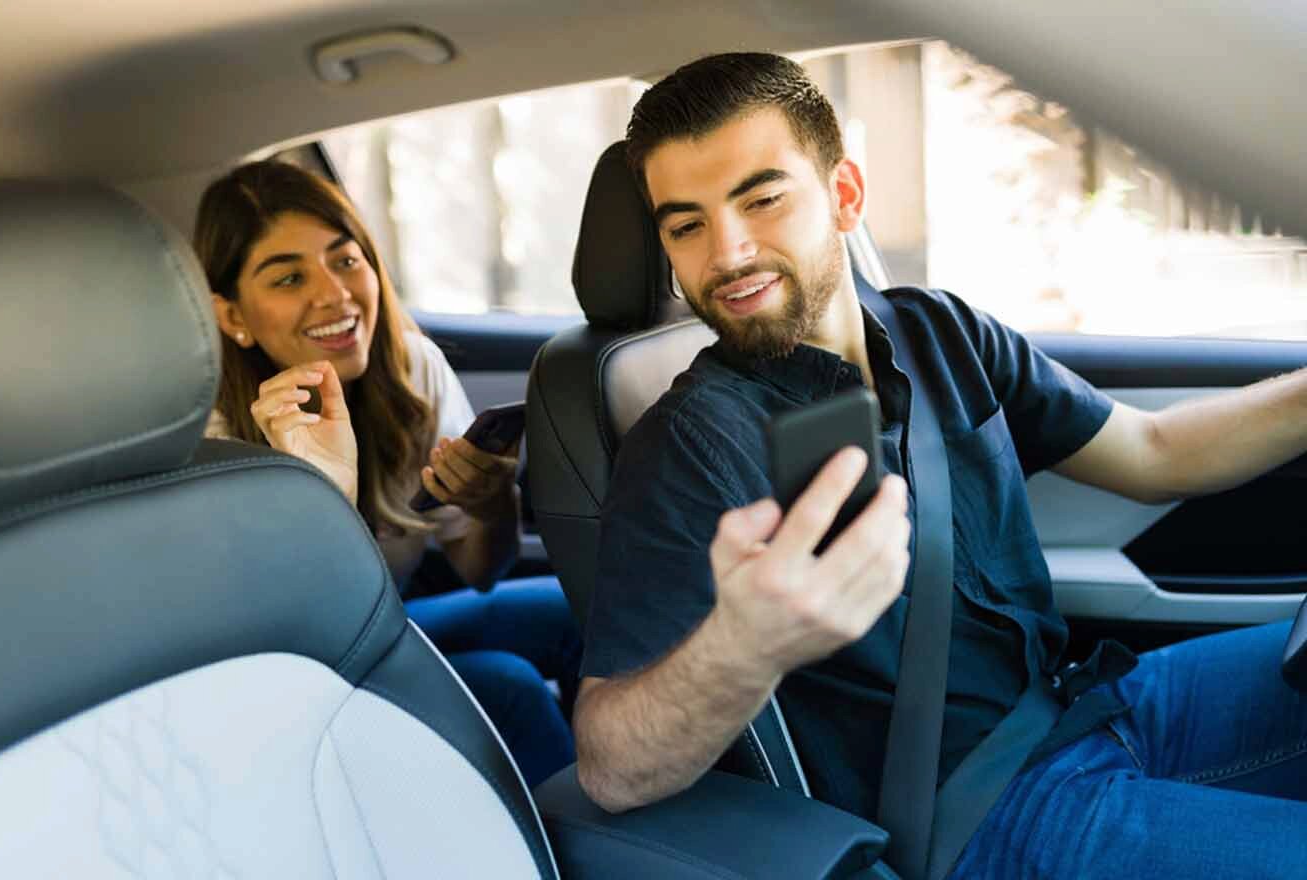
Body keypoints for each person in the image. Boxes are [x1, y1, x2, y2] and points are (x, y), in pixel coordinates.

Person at [572, 52, 1307, 877]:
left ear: (844, 195)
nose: (729, 252)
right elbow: (610, 765)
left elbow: (1154, 453)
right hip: (985, 818)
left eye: (763, 199)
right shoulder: (691, 444)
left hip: (1087, 706)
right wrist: (748, 644)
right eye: (686, 225)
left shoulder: (940, 332)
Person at [193, 160, 579, 787]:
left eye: (346, 260)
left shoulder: (409, 368)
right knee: (508, 685)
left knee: (583, 605)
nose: (335, 294)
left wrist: (488, 501)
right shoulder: (214, 439)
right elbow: (290, 650)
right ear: (233, 316)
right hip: (295, 680)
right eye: (289, 277)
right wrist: (323, 497)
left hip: (387, 630)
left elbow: (482, 572)